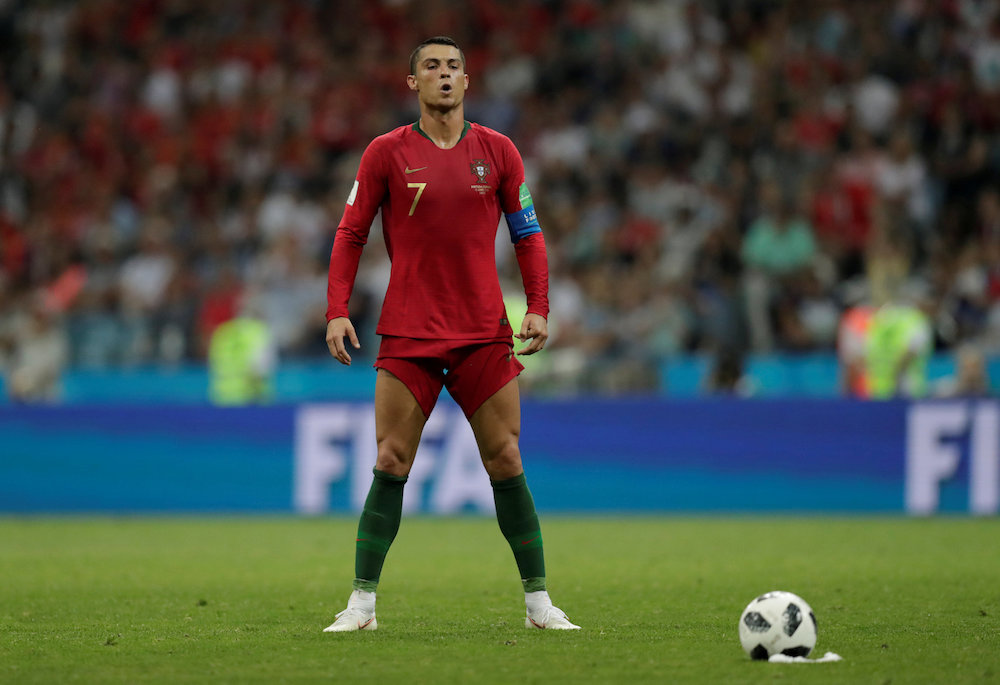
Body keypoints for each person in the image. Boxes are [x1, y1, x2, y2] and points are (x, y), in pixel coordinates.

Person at [322, 36, 579, 632]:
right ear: (412, 83)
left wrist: (538, 305)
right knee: (390, 458)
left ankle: (539, 604)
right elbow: (350, 233)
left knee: (506, 457)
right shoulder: (385, 153)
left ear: (467, 81)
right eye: (432, 67)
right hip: (409, 331)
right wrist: (338, 309)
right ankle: (361, 605)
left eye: (454, 67)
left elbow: (529, 234)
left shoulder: (499, 152)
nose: (444, 75)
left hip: (482, 333)